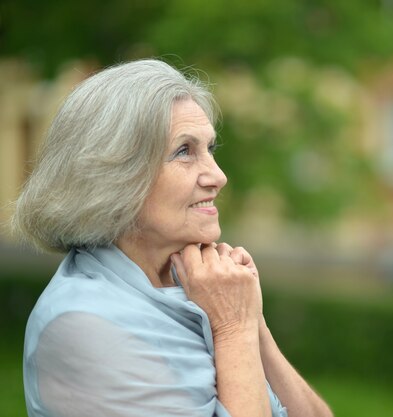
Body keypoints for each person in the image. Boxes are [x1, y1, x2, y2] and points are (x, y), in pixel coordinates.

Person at [13, 59, 333, 417]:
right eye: (184, 151)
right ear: (115, 176)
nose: (218, 176)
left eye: (210, 149)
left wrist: (250, 320)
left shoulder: (202, 289)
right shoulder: (81, 324)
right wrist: (232, 328)